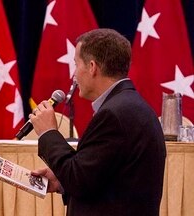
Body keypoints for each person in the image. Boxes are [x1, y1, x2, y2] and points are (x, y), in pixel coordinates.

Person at [30, 28, 166, 216]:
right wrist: (61, 180)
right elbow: (98, 177)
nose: (74, 75)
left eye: (76, 65)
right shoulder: (129, 106)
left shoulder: (114, 114)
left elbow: (78, 180)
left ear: (92, 67)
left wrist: (48, 133)